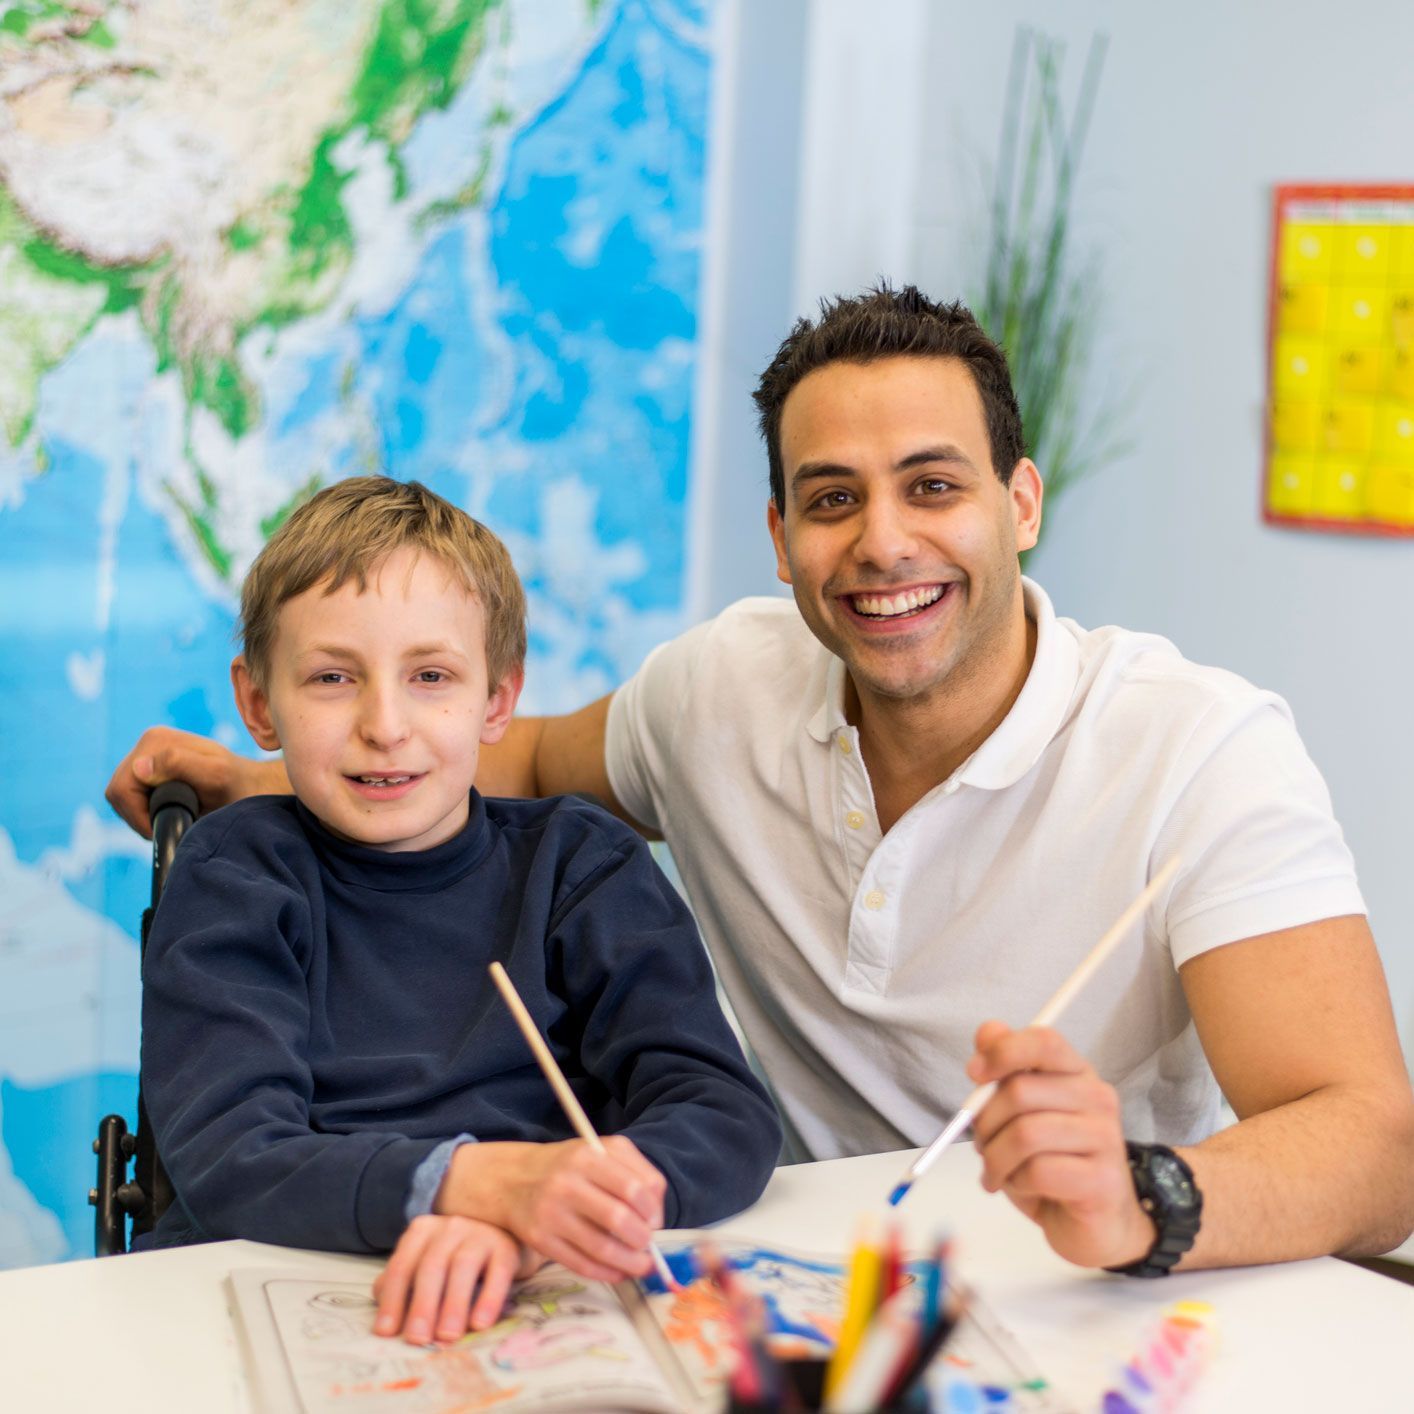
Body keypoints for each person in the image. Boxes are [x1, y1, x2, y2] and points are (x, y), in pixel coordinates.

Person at [112, 287, 1414, 1279]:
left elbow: (1375, 1144)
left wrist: (1144, 1195)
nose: (884, 539)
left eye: (934, 484)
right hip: (765, 1275)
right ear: (782, 537)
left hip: (1066, 1290)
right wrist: (251, 780)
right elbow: (499, 755)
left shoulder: (1199, 746)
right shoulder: (716, 684)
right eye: (831, 496)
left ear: (1019, 501)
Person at [136, 476, 781, 1345]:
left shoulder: (580, 865)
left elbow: (722, 1113)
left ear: (498, 700)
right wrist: (477, 1185)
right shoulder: (235, 876)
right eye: (332, 677)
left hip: (537, 1289)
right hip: (280, 1291)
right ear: (259, 704)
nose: (385, 724)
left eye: (431, 676)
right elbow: (233, 1155)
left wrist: (563, 1207)